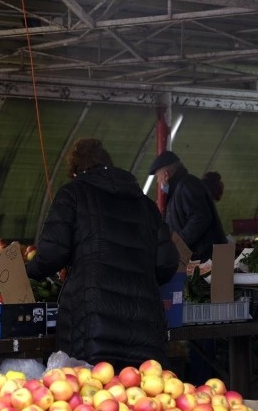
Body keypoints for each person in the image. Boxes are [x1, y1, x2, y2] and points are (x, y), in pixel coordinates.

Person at [26, 139, 179, 368]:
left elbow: (52, 252)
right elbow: (167, 263)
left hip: (91, 324)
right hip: (143, 325)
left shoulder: (73, 194)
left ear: (76, 171)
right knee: (142, 394)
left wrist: (26, 273)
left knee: (91, 394)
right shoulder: (146, 205)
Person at [149, 151, 227, 262]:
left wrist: (178, 243)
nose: (158, 181)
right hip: (200, 257)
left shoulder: (186, 186)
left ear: (166, 175)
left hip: (205, 258)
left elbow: (200, 218)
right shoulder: (178, 189)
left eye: (158, 176)